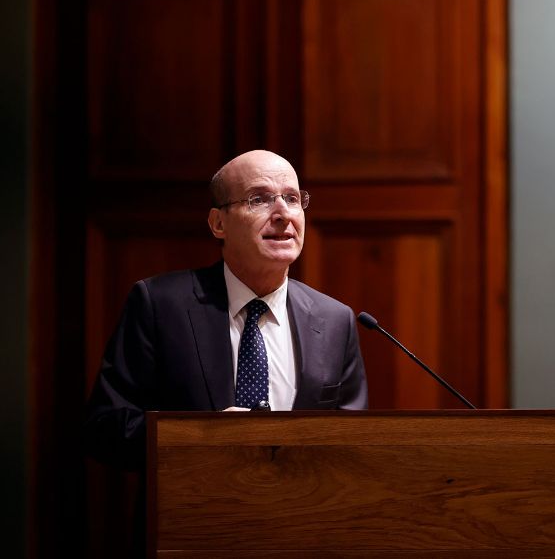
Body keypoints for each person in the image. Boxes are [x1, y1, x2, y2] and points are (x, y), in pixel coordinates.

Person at [85, 150, 368, 470]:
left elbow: (352, 443)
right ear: (218, 223)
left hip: (302, 515)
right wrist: (201, 438)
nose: (283, 214)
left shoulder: (334, 320)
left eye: (291, 198)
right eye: (259, 199)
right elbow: (106, 428)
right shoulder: (160, 305)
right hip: (192, 515)